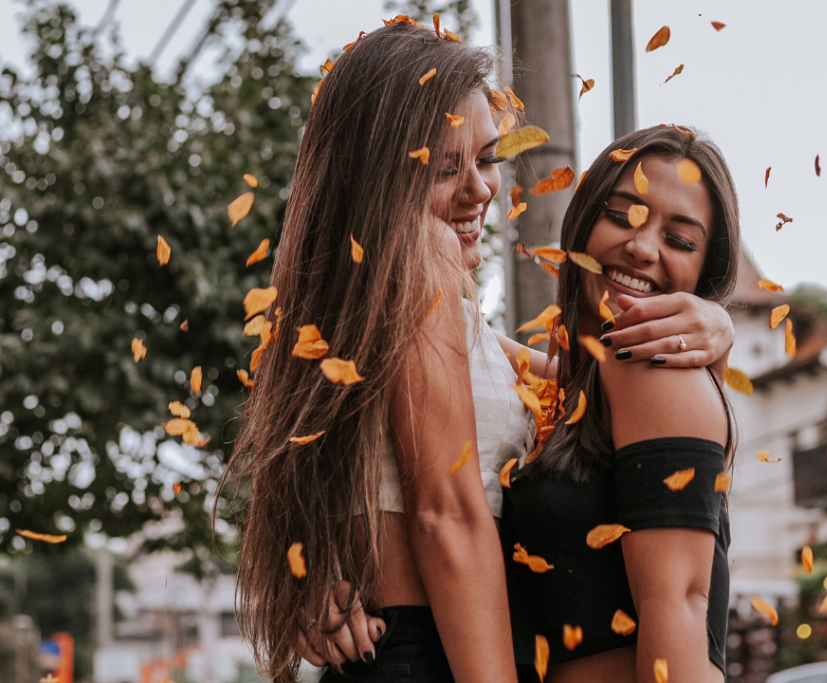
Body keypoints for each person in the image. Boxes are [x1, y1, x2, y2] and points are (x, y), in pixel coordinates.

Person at [222, 21, 737, 683]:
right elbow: (446, 513)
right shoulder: (423, 260)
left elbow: (576, 385)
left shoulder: (394, 304)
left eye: (488, 158)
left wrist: (714, 323)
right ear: (380, 175)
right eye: (444, 168)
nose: (479, 190)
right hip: (433, 655)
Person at [501, 125, 740, 683]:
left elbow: (680, 610)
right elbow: (459, 342)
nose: (642, 246)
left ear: (703, 273)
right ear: (582, 221)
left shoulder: (649, 370)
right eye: (622, 214)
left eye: (680, 241)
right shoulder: (583, 386)